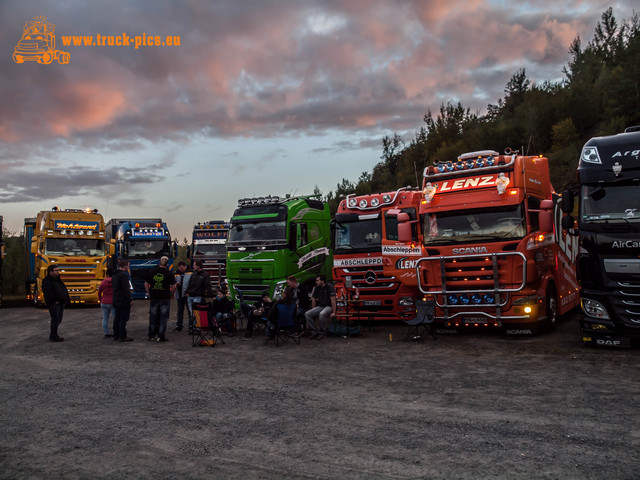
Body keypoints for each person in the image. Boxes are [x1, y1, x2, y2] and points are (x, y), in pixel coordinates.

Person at [145, 256, 176, 342]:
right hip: (164, 297)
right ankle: (160, 336)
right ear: (167, 264)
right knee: (163, 318)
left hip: (154, 297)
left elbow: (146, 283)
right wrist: (171, 295)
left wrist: (149, 293)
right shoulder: (169, 273)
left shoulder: (152, 272)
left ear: (159, 262)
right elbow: (174, 286)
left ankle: (151, 335)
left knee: (153, 317)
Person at [41, 264, 70, 342]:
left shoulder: (58, 280)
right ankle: (53, 335)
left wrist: (66, 299)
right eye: (56, 270)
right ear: (50, 272)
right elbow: (48, 292)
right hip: (54, 303)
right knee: (55, 318)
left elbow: (62, 289)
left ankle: (55, 334)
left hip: (61, 302)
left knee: (59, 319)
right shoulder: (47, 281)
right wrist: (54, 301)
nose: (58, 272)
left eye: (58, 270)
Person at [305, 274, 336, 339]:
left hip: (328, 306)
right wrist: (313, 310)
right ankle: (314, 331)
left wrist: (334, 312)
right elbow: (314, 299)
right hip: (321, 306)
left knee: (322, 314)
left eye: (318, 280)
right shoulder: (317, 287)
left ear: (322, 281)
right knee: (307, 314)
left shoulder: (329, 287)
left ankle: (323, 331)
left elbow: (333, 300)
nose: (316, 282)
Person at [184, 260, 212, 332]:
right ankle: (192, 327)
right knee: (191, 313)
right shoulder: (194, 274)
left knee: (195, 313)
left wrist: (210, 295)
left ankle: (195, 326)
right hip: (190, 296)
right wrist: (187, 292)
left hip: (197, 296)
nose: (193, 266)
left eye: (194, 265)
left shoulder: (205, 275)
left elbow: (208, 286)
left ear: (198, 266)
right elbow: (190, 284)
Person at [112, 259, 134, 342]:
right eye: (128, 265)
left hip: (115, 298)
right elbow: (126, 289)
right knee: (123, 318)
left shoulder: (115, 275)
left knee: (117, 317)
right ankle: (122, 335)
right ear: (125, 266)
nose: (128, 267)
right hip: (123, 300)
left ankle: (116, 335)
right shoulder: (124, 275)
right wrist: (130, 299)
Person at [172, 261, 191, 332]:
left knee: (190, 311)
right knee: (180, 311)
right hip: (179, 295)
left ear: (185, 266)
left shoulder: (190, 273)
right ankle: (179, 325)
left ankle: (191, 325)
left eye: (182, 268)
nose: (181, 270)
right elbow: (173, 282)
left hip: (187, 295)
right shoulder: (176, 273)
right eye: (180, 268)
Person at [98, 269, 114, 338]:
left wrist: (100, 299)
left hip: (104, 302)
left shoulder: (103, 282)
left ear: (107, 274)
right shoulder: (114, 282)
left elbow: (99, 292)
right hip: (112, 302)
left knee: (105, 318)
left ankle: (106, 333)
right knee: (115, 317)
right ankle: (116, 331)